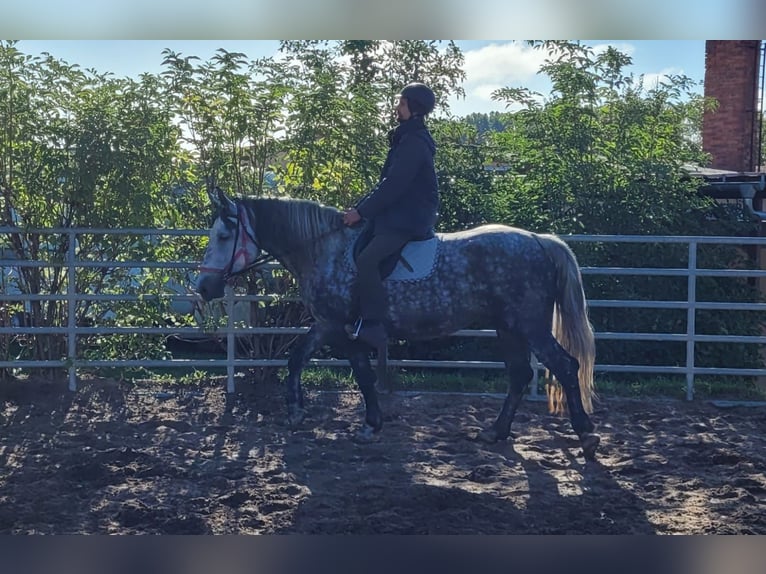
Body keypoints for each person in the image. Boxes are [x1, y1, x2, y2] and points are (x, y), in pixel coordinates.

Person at [342, 82, 440, 348]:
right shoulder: (407, 138)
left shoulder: (414, 143)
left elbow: (394, 186)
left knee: (367, 260)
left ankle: (374, 324)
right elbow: (384, 184)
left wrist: (361, 212)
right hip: (399, 214)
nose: (397, 108)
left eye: (402, 104)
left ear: (414, 110)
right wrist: (358, 209)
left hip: (408, 218)